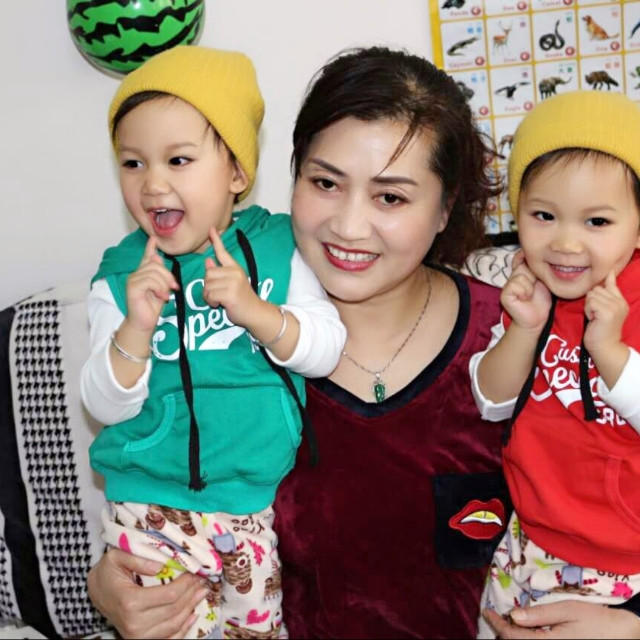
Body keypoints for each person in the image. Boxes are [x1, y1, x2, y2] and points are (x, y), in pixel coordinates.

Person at [86, 48, 640, 639]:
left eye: (391, 197)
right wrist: (110, 590)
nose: (348, 227)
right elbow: (153, 498)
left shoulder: (522, 332)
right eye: (325, 183)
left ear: (445, 208)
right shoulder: (213, 337)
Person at [80, 45, 346, 639]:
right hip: (145, 504)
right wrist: (135, 330)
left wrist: (255, 312)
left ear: (237, 174)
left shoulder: (278, 247)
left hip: (249, 503)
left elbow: (325, 348)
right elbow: (102, 404)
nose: (153, 184)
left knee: (255, 630)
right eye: (132, 163)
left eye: (178, 160)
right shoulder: (120, 275)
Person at [471, 91, 640, 638]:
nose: (565, 242)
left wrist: (609, 350)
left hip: (621, 563)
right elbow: (491, 402)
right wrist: (523, 328)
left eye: (597, 221)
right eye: (543, 215)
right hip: (528, 539)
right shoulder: (529, 290)